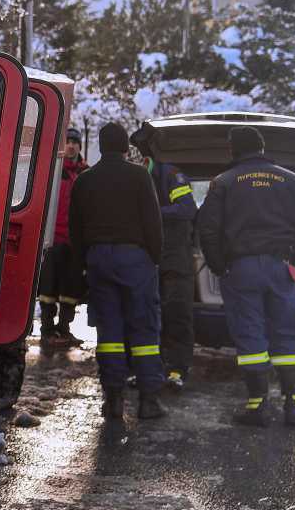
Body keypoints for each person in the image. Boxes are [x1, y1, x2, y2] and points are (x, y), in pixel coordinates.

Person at [196, 125, 295, 425]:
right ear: (262, 147)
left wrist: (219, 265)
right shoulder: (293, 181)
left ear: (233, 150)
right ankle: (294, 405)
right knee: (287, 334)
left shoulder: (223, 182)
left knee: (250, 334)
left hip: (241, 269)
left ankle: (258, 406)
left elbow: (207, 229)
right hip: (282, 267)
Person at [69, 122, 166, 420]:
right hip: (135, 258)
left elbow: (76, 227)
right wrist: (154, 257)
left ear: (100, 146)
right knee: (144, 328)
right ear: (127, 148)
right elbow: (153, 220)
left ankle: (113, 399)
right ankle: (148, 401)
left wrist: (85, 263)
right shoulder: (139, 176)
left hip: (99, 258)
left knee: (109, 331)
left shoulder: (85, 180)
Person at [142, 153, 199, 390]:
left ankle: (177, 370)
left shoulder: (171, 175)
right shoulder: (136, 176)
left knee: (176, 314)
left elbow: (187, 209)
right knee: (148, 318)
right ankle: (149, 369)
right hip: (147, 258)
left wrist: (153, 212)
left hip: (175, 259)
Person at [38, 127, 89, 346]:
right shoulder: (52, 170)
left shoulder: (86, 174)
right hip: (53, 239)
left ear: (79, 146)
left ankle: (64, 329)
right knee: (48, 288)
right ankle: (47, 330)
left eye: (75, 142)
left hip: (75, 242)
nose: (71, 145)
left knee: (71, 290)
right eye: (67, 141)